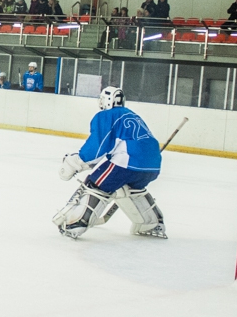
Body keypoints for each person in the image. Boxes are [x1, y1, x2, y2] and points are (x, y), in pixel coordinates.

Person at [52, 86, 165, 239]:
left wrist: (77, 161)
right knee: (131, 189)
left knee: (96, 184)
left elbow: (98, 146)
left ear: (107, 100)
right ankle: (151, 223)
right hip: (153, 165)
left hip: (127, 161)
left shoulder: (107, 115)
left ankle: (76, 223)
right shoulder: (132, 115)